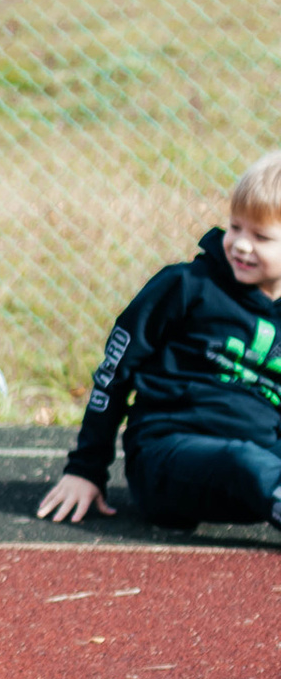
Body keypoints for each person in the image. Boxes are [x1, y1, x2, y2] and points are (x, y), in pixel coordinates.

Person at [36, 158, 281, 530]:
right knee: (244, 462)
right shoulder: (185, 286)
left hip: (257, 469)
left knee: (253, 463)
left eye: (261, 237)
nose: (241, 244)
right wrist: (85, 469)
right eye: (235, 227)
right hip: (167, 455)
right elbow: (113, 374)